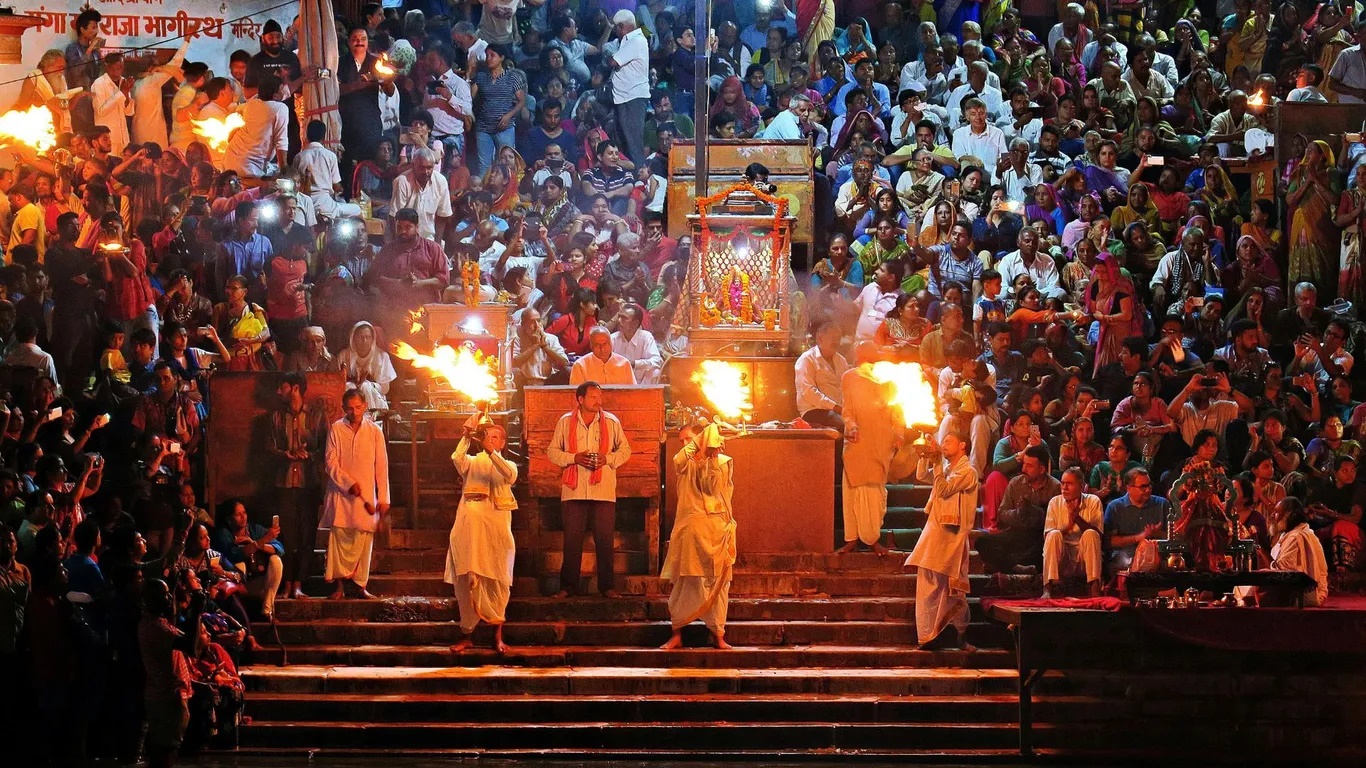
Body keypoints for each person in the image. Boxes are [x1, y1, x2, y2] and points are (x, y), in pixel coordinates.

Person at [546, 381, 631, 598]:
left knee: (604, 541)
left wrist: (607, 459)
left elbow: (625, 451)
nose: (598, 401)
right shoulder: (565, 421)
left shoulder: (611, 421)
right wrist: (573, 458)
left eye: (599, 396)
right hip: (574, 490)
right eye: (593, 397)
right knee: (572, 542)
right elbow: (552, 452)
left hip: (603, 490)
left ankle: (607, 587)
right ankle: (567, 587)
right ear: (580, 399)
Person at [659, 422, 737, 651]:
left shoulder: (723, 461)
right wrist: (699, 442)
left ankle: (718, 635)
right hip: (691, 529)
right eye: (682, 440)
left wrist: (711, 458)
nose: (685, 443)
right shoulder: (684, 461)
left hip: (716, 529)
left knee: (718, 584)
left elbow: (712, 488)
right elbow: (679, 459)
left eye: (689, 438)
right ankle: (677, 634)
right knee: (685, 583)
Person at [444, 413, 518, 654]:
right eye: (487, 436)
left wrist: (491, 452)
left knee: (499, 579)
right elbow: (457, 458)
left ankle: (497, 637)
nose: (490, 440)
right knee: (467, 581)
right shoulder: (472, 462)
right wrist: (467, 436)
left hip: (496, 531)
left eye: (496, 437)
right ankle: (467, 635)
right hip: (470, 529)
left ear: (503, 443)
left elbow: (509, 476)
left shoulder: (509, 465)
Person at [905, 429, 977, 650]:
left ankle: (961, 636)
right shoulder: (946, 468)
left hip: (953, 535)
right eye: (942, 441)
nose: (944, 444)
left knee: (954, 587)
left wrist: (936, 462)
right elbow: (921, 476)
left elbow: (944, 489)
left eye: (948, 441)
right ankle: (929, 634)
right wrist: (925, 455)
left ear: (962, 445)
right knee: (927, 580)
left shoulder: (968, 471)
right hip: (936, 530)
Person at [322, 389, 390, 600]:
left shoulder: (375, 432)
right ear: (344, 408)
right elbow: (330, 463)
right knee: (339, 539)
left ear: (365, 406)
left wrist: (384, 498)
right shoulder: (336, 429)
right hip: (341, 495)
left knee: (363, 540)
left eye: (358, 407)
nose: (354, 412)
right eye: (350, 408)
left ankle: (361, 585)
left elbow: (382, 466)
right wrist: (347, 483)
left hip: (366, 496)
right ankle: (339, 587)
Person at [269, 373, 326, 600]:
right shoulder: (276, 417)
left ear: (294, 389)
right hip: (284, 483)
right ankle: (287, 584)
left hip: (308, 483)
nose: (278, 391)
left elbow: (326, 449)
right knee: (287, 536)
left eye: (282, 387)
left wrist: (308, 455)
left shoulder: (317, 416)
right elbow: (269, 448)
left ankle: (299, 584)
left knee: (306, 535)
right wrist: (285, 454)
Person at [839, 341, 896, 556]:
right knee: (852, 490)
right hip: (857, 440)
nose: (860, 359)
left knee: (873, 491)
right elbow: (847, 409)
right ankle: (851, 539)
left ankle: (872, 539)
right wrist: (851, 425)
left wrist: (899, 433)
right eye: (859, 355)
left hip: (880, 440)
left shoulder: (887, 377)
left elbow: (897, 409)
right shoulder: (849, 377)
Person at [1042, 467, 1105, 598]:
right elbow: (1047, 537)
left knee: (1090, 534)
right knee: (1054, 534)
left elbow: (1099, 535)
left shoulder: (1093, 501)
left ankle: (1094, 586)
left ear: (1081, 486)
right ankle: (1048, 587)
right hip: (1063, 557)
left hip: (1084, 558)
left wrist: (1077, 519)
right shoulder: (1055, 502)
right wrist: (1068, 526)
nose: (1064, 487)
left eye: (1069, 484)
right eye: (1062, 483)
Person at [1260, 497, 1329, 607]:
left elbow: (1282, 571)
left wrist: (1261, 551)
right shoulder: (1290, 534)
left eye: (1277, 512)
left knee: (1252, 586)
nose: (1272, 515)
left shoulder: (1296, 537)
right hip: (1292, 589)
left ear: (1288, 515)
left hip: (1305, 594)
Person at [1102, 467, 1169, 575]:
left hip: (1157, 554)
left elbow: (1175, 537)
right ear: (1129, 488)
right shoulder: (1115, 507)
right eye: (1143, 487)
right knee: (1126, 561)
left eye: (1149, 485)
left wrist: (1158, 534)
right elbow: (1108, 541)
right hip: (1125, 555)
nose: (1148, 490)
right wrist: (1139, 537)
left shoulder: (1162, 504)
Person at [609, 11, 650, 167]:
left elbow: (613, 62)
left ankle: (639, 176)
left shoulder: (637, 40)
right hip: (624, 97)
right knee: (624, 143)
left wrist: (607, 56)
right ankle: (628, 175)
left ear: (621, 26)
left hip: (633, 97)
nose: (615, 32)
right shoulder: (627, 41)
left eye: (616, 28)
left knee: (633, 143)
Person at [795, 322, 849, 432]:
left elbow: (847, 388)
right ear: (819, 339)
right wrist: (835, 407)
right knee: (843, 425)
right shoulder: (807, 359)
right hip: (813, 411)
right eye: (833, 338)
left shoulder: (841, 361)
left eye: (838, 338)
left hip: (838, 410)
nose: (836, 342)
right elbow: (808, 391)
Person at [337, 321, 397, 412]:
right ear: (353, 338)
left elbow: (385, 388)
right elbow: (338, 382)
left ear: (372, 339)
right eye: (361, 337)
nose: (364, 341)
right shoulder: (344, 355)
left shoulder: (382, 356)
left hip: (374, 392)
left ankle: (370, 416)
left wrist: (366, 384)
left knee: (365, 386)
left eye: (368, 337)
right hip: (350, 389)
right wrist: (355, 383)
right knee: (349, 387)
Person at [610, 304, 662, 385]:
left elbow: (657, 361)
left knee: (655, 371)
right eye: (619, 317)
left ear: (635, 323)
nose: (619, 320)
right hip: (618, 382)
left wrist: (635, 364)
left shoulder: (646, 337)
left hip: (642, 384)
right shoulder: (612, 338)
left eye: (624, 318)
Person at [569, 325, 635, 385]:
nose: (602, 349)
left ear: (611, 343)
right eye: (597, 345)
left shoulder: (624, 363)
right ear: (591, 345)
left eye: (605, 344)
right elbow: (576, 393)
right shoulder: (580, 366)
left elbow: (633, 391)